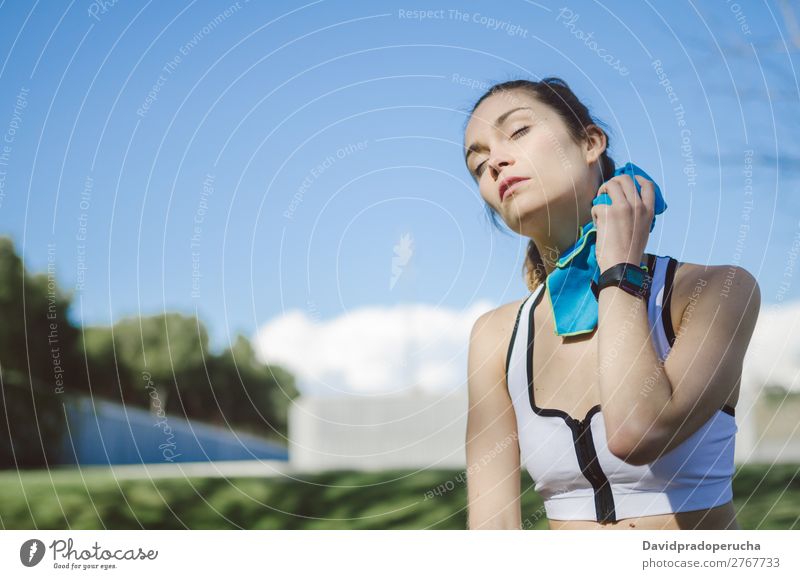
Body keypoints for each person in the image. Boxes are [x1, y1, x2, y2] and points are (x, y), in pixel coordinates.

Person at [462, 77, 760, 530]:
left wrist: (618, 268)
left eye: (518, 132)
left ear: (590, 142)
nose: (496, 163)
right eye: (479, 164)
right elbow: (493, 531)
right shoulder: (495, 336)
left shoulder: (715, 291)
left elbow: (637, 432)